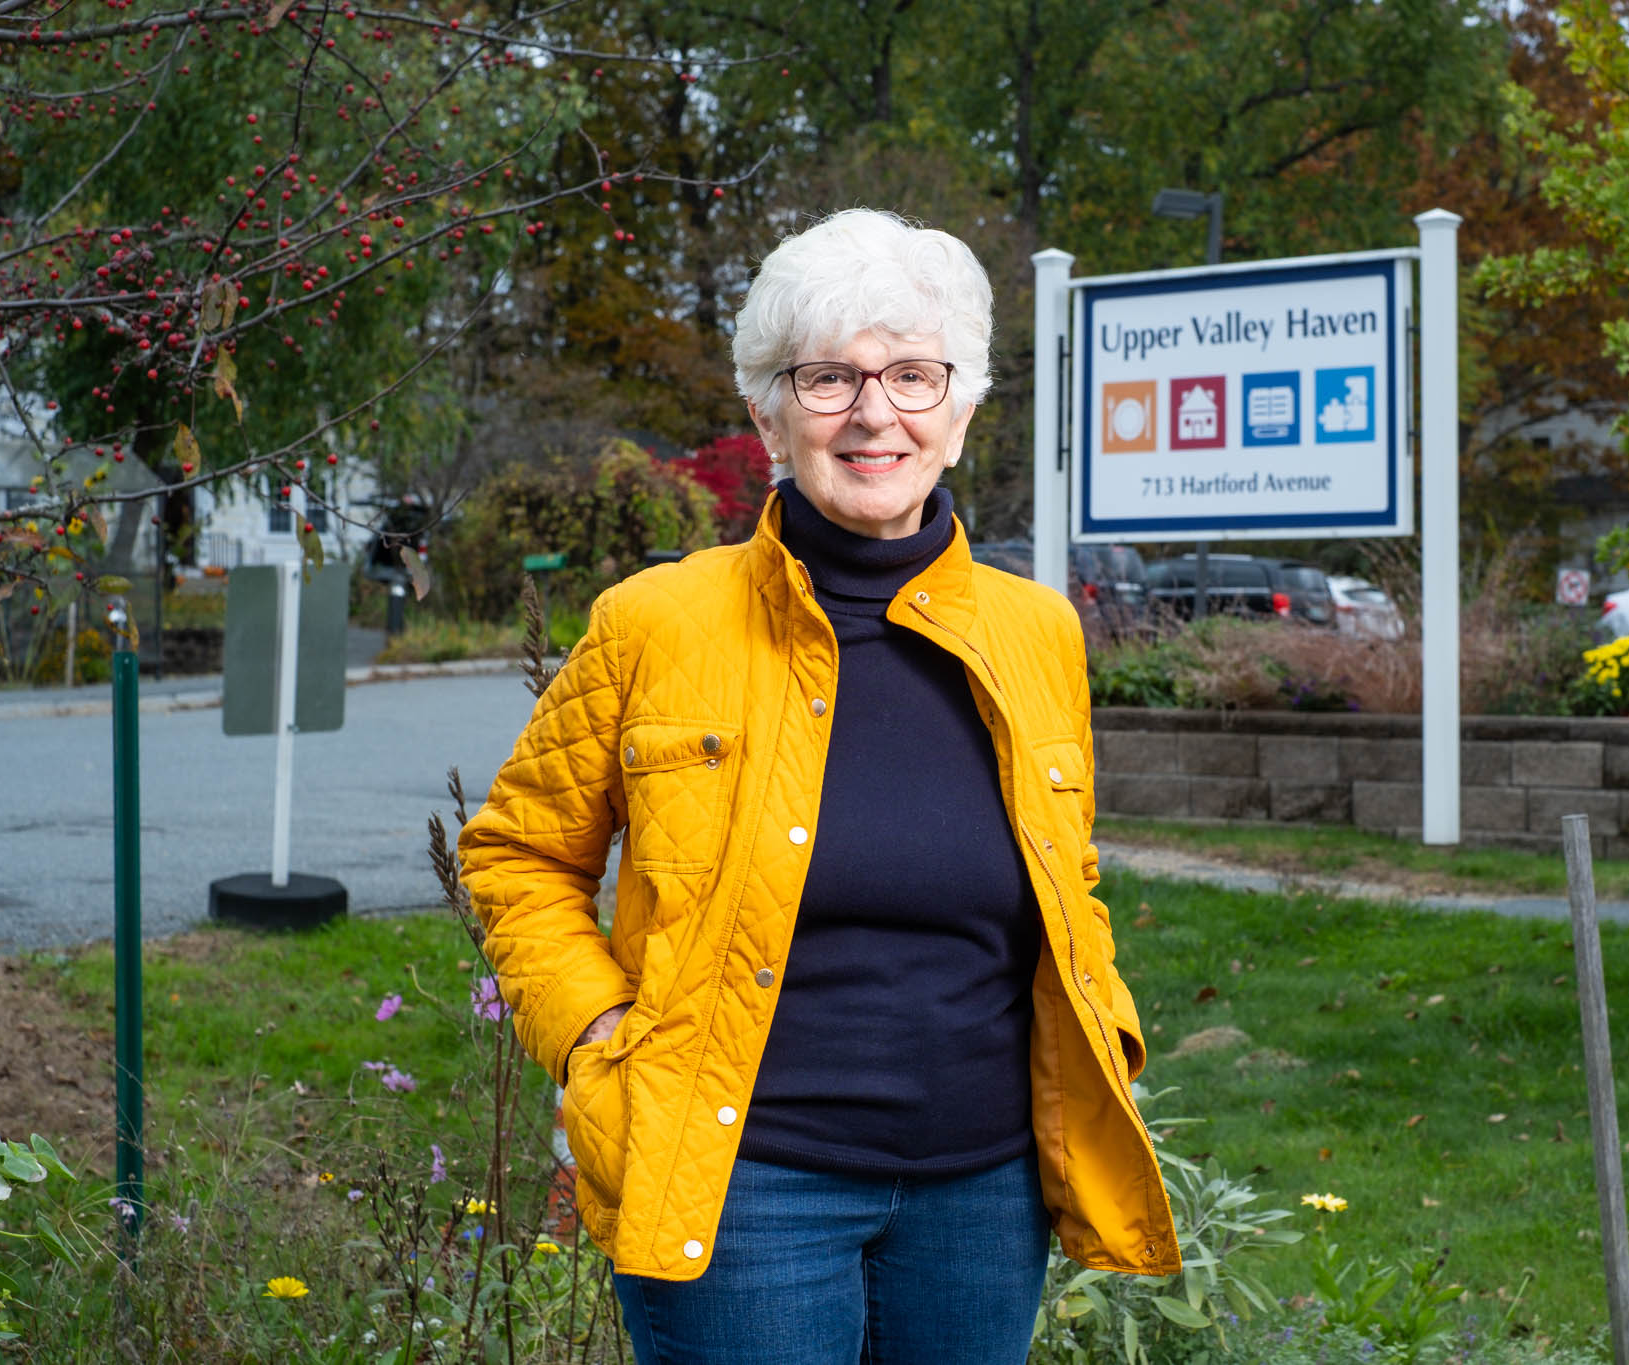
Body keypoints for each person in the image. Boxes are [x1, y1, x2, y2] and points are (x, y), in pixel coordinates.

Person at [459, 208, 1178, 1365]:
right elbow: (515, 855)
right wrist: (598, 1032)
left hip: (983, 1195)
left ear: (961, 408)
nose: (873, 412)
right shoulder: (655, 624)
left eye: (910, 373)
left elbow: (1064, 871)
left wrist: (1109, 1029)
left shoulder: (1036, 634)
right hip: (743, 1186)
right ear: (767, 409)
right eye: (829, 377)